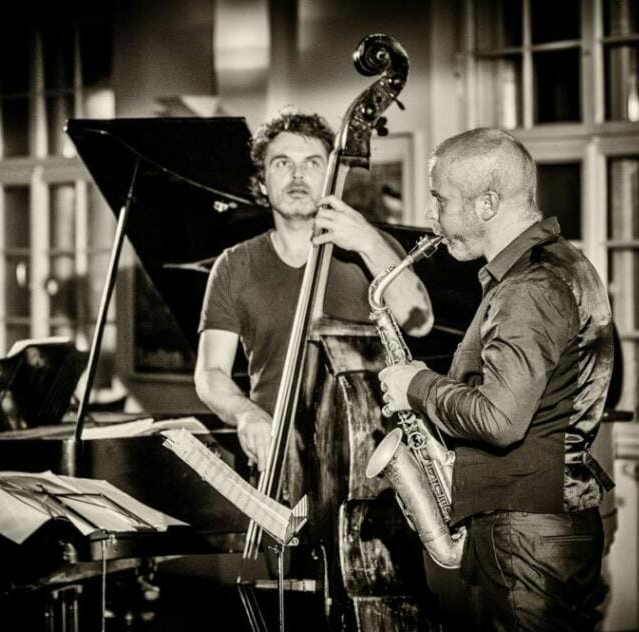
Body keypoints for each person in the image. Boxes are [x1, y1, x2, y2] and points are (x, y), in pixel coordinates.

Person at [378, 128, 614, 631]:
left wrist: (415, 385)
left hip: (525, 536)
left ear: (487, 203)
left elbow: (500, 420)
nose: (431, 215)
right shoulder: (559, 264)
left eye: (440, 199)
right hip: (543, 525)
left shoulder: (529, 287)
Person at [194, 107, 434, 468]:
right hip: (278, 460)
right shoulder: (234, 265)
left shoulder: (371, 247)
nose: (297, 175)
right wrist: (246, 413)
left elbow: (420, 322)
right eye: (282, 163)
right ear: (262, 181)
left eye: (312, 163)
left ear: (331, 177)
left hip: (368, 459)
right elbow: (211, 373)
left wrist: (369, 242)